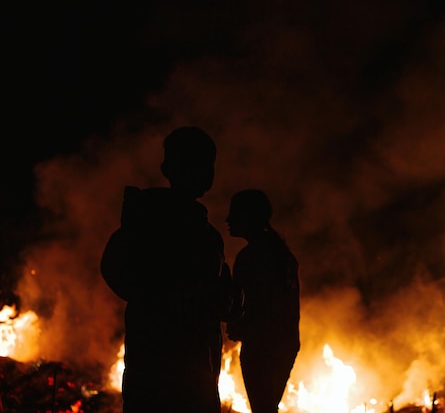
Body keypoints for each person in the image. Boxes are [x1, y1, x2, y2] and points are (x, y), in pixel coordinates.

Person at [100, 126, 240, 413]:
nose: (202, 173)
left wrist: (228, 300)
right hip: (155, 372)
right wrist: (169, 300)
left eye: (206, 165)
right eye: (192, 164)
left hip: (199, 369)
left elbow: (221, 295)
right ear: (169, 168)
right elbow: (118, 271)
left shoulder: (208, 234)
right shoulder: (145, 222)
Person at [225, 189, 300, 413]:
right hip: (284, 344)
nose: (228, 220)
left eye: (235, 214)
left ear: (249, 217)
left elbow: (249, 304)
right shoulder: (281, 253)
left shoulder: (251, 257)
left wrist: (236, 326)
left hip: (261, 346)